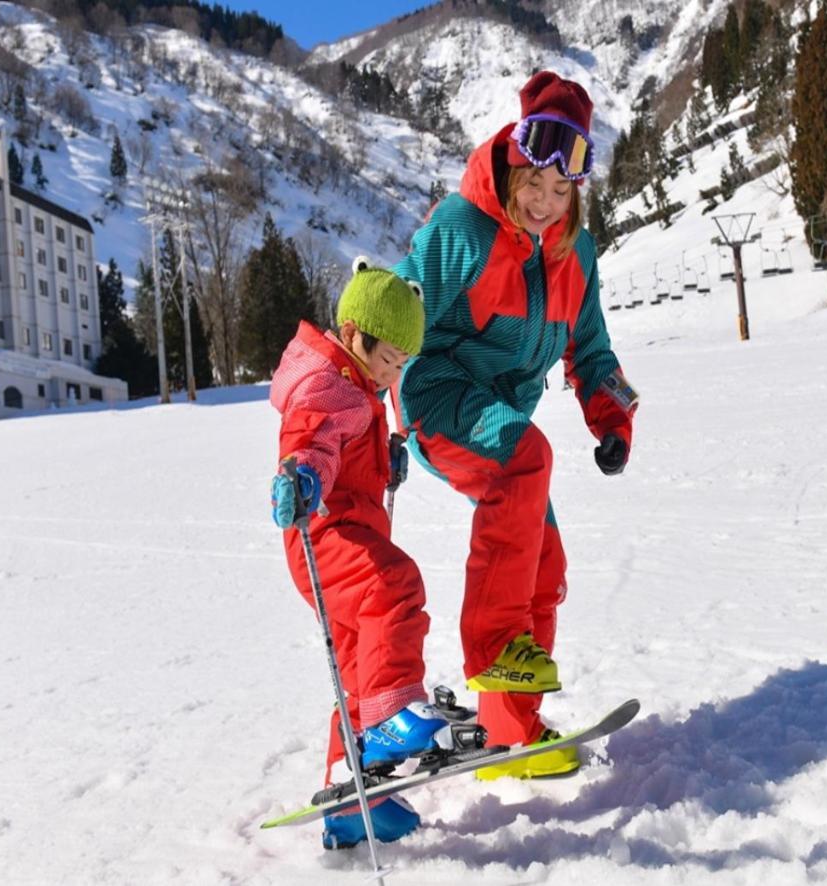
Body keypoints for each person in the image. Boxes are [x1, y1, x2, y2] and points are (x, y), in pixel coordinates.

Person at [392, 71, 640, 780]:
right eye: (534, 184)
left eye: (562, 193)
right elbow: (396, 309)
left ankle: (510, 734)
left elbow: (590, 350)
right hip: (438, 395)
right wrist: (369, 412)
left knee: (545, 560)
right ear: (510, 164)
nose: (543, 203)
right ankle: (495, 648)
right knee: (527, 457)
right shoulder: (463, 228)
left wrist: (611, 418)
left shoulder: (574, 254)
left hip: (497, 416)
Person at [268, 258, 448, 849]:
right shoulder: (327, 384)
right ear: (352, 334)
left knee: (356, 668)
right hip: (323, 536)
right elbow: (312, 439)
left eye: (401, 364)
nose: (390, 372)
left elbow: (346, 444)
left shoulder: (357, 385)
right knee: (395, 585)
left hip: (348, 533)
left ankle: (350, 800)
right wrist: (305, 475)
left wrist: (382, 464)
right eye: (385, 358)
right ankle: (388, 718)